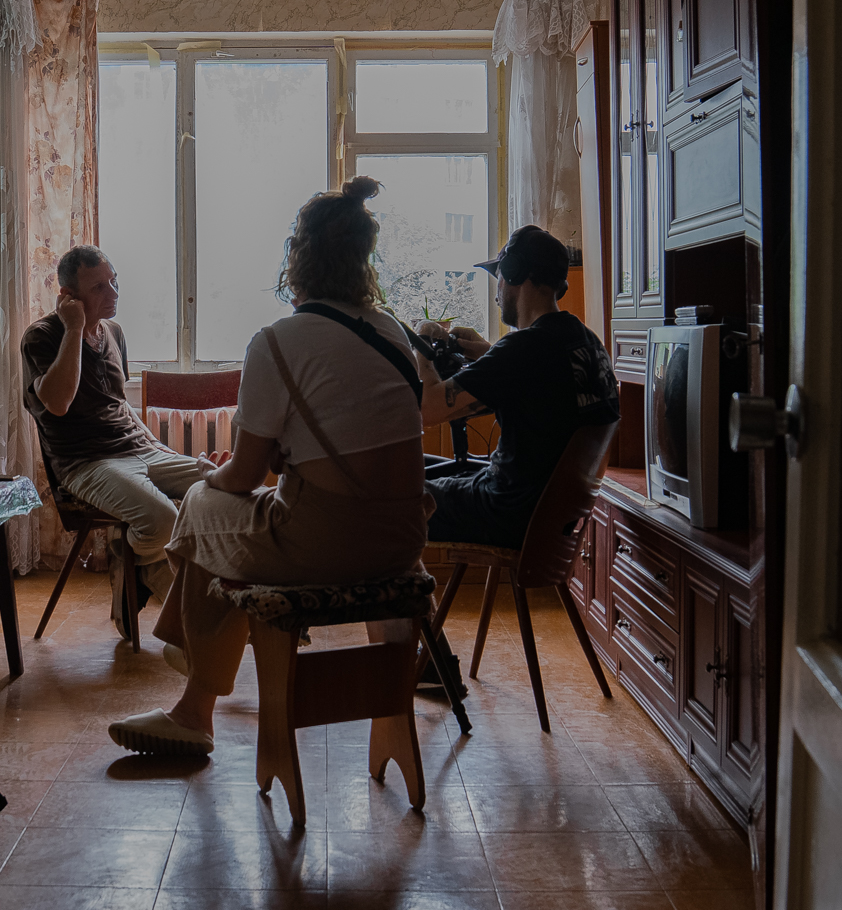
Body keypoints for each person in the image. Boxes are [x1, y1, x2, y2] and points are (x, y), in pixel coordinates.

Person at [108, 176, 432, 756]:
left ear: (297, 259)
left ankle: (193, 687)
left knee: (206, 506)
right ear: (363, 260)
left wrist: (211, 474)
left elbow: (244, 477)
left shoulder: (278, 341)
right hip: (405, 538)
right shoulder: (393, 333)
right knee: (222, 531)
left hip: (329, 543)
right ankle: (189, 656)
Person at [22, 246, 206, 637]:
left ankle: (133, 559)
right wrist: (74, 329)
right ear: (69, 295)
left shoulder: (114, 333)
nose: (114, 293)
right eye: (100, 287)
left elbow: (118, 405)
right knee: (161, 523)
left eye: (114, 281)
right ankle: (190, 617)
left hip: (139, 450)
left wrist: (160, 451)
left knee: (223, 486)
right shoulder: (42, 336)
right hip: (87, 463)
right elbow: (57, 402)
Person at [416, 225, 619, 550]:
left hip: (504, 514)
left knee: (388, 492)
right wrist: (489, 351)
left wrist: (423, 339)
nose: (497, 294)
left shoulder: (524, 349)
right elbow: (540, 379)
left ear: (513, 273)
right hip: (547, 515)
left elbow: (428, 409)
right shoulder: (585, 340)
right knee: (415, 465)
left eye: (498, 278)